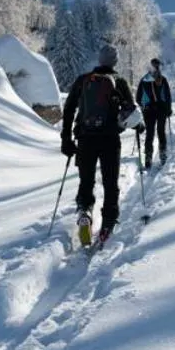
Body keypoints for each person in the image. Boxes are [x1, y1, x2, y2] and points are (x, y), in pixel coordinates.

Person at [61, 44, 136, 248]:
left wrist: (66, 138)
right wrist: (139, 126)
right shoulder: (119, 81)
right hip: (110, 139)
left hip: (85, 138)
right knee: (110, 183)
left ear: (99, 59)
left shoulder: (84, 80)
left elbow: (68, 109)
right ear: (115, 61)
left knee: (86, 180)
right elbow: (130, 111)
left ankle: (84, 212)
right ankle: (107, 225)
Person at [136, 56, 173, 169]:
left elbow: (138, 97)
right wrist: (168, 109)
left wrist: (144, 107)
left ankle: (148, 158)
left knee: (150, 134)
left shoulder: (144, 80)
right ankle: (163, 156)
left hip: (148, 111)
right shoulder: (163, 79)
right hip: (161, 110)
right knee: (161, 132)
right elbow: (167, 96)